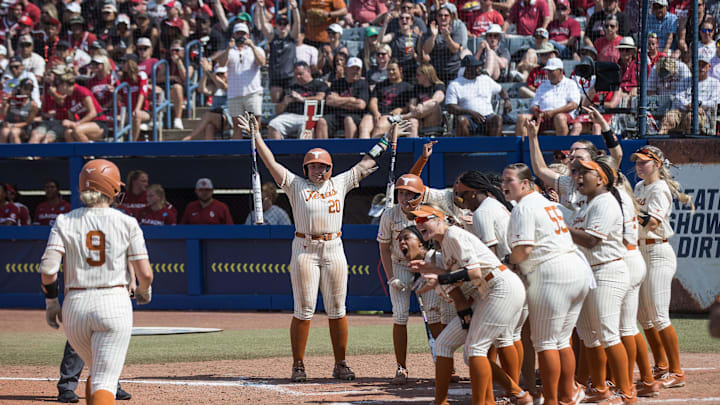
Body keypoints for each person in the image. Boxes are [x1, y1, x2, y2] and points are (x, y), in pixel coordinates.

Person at [238, 113, 403, 383]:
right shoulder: (295, 185)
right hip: (304, 247)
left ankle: (340, 363)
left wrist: (388, 137)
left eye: (322, 166)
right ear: (306, 169)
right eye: (313, 166)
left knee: (338, 308)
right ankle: (298, 364)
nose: (318, 170)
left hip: (334, 247)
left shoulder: (340, 182)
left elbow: (368, 162)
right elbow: (270, 162)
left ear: (329, 167)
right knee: (304, 309)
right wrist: (256, 135)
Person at [40, 159, 153, 404]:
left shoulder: (64, 221)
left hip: (75, 306)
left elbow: (48, 270)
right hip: (113, 302)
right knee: (105, 381)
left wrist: (51, 303)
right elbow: (145, 274)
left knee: (97, 372)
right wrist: (144, 290)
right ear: (112, 187)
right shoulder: (126, 222)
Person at [409, 203, 526, 405]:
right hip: (486, 293)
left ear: (439, 219)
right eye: (416, 221)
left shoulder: (454, 235)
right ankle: (441, 402)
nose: (419, 224)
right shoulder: (445, 244)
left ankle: (505, 396)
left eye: (423, 219)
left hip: (500, 286)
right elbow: (454, 278)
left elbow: (474, 273)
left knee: (476, 348)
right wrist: (432, 270)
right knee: (444, 344)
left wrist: (440, 279)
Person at [501, 161, 590, 405]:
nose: (505, 185)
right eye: (503, 180)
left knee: (545, 342)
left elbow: (524, 249)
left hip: (552, 272)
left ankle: (552, 399)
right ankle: (568, 393)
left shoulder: (524, 208)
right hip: (576, 269)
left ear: (526, 183)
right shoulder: (544, 202)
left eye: (510, 180)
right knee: (562, 340)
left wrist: (508, 261)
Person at [565, 156, 635, 404]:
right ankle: (599, 387)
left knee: (608, 334)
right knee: (587, 335)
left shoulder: (605, 202)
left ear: (602, 178)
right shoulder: (587, 204)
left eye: (586, 173)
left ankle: (626, 391)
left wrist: (558, 227)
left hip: (607, 271)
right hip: (589, 273)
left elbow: (592, 240)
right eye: (578, 173)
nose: (579, 177)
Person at [632, 146, 693, 389]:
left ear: (657, 164)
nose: (639, 165)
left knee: (658, 315)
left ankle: (677, 371)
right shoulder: (639, 187)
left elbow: (653, 222)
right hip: (640, 250)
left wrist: (628, 208)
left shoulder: (659, 188)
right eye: (637, 161)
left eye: (644, 162)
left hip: (657, 251)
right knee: (644, 317)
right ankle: (661, 366)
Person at [217, 23, 266, 139]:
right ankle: (237, 155)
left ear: (248, 35)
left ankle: (257, 149)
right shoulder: (229, 50)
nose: (241, 36)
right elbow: (222, 64)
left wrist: (252, 46)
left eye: (243, 34)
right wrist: (229, 48)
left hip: (252, 92)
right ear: (234, 35)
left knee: (254, 124)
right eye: (238, 33)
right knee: (237, 126)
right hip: (234, 94)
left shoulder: (256, 49)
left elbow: (262, 63)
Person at [446, 55, 511, 137]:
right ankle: (465, 149)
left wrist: (507, 100)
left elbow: (501, 90)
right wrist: (470, 112)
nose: (480, 68)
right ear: (468, 69)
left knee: (497, 119)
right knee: (461, 120)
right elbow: (450, 107)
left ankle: (494, 148)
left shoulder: (485, 79)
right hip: (468, 119)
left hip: (487, 117)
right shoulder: (455, 84)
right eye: (477, 67)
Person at [515, 57, 581, 136]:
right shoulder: (542, 86)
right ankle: (522, 147)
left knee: (559, 118)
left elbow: (573, 105)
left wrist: (553, 112)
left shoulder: (570, 84)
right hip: (542, 117)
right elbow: (534, 105)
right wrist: (536, 112)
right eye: (548, 71)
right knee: (522, 118)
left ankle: (562, 147)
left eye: (552, 71)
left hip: (562, 116)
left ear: (560, 71)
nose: (549, 73)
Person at [659, 54, 720, 135]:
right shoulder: (685, 80)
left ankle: (689, 144)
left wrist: (698, 105)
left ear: (709, 67)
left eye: (703, 65)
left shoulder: (714, 82)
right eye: (698, 65)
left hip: (703, 113)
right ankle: (658, 141)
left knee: (690, 118)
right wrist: (687, 105)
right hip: (683, 110)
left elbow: (715, 102)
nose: (701, 68)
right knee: (669, 117)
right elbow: (678, 97)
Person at [268, 61, 328, 139]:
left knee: (306, 128)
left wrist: (302, 99)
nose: (298, 77)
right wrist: (285, 102)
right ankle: (276, 151)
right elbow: (278, 111)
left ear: (308, 71)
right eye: (296, 75)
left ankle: (303, 151)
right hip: (290, 115)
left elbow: (320, 98)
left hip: (309, 115)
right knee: (273, 124)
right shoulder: (290, 87)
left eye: (300, 74)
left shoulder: (319, 84)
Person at [257, 0, 300, 104]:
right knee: (276, 101)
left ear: (289, 26)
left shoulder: (292, 38)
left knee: (291, 102)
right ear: (276, 26)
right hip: (275, 77)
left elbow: (298, 23)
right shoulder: (273, 39)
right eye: (280, 24)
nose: (282, 26)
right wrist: (261, 8)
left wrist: (295, 9)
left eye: (285, 24)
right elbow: (263, 25)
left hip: (290, 77)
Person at [360, 60, 414, 138]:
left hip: (391, 115)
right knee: (364, 126)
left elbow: (410, 106)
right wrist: (376, 113)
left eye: (393, 69)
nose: (391, 72)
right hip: (376, 113)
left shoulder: (407, 87)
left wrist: (401, 109)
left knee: (379, 126)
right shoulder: (380, 85)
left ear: (400, 70)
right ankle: (363, 149)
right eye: (388, 70)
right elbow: (373, 101)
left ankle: (375, 150)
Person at [321, 57, 370, 138]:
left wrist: (337, 101)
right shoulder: (337, 83)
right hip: (336, 115)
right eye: (352, 68)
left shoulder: (363, 84)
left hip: (355, 115)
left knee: (348, 120)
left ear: (361, 71)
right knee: (322, 121)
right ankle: (321, 149)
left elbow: (360, 105)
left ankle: (350, 150)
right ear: (346, 69)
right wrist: (350, 100)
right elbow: (329, 101)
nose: (355, 71)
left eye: (357, 69)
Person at [183, 60, 232, 141]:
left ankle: (189, 137)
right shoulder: (215, 87)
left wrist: (209, 72)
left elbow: (223, 86)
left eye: (222, 74)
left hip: (229, 118)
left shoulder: (232, 85)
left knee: (208, 115)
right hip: (218, 117)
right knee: (209, 127)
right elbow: (201, 89)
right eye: (218, 74)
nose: (220, 76)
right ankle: (210, 152)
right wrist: (205, 74)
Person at [56, 73, 109, 143]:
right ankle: (77, 154)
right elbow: (72, 120)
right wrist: (71, 123)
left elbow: (93, 113)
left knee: (77, 130)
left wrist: (76, 124)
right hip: (83, 124)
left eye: (57, 85)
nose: (56, 88)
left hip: (99, 123)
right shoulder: (67, 100)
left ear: (64, 85)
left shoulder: (81, 91)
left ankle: (88, 153)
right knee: (68, 132)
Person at [421, 4, 465, 84]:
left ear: (450, 17)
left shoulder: (456, 29)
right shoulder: (430, 30)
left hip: (453, 70)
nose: (443, 18)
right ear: (437, 17)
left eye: (446, 15)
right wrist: (433, 36)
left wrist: (447, 37)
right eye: (440, 16)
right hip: (436, 71)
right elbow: (426, 50)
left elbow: (455, 49)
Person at [402, 63, 446, 137]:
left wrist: (421, 105)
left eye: (418, 75)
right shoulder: (416, 88)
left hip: (433, 118)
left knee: (433, 104)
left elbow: (436, 100)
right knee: (411, 122)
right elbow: (411, 106)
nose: (416, 77)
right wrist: (418, 110)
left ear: (426, 75)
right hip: (419, 118)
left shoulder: (439, 86)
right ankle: (413, 147)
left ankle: (403, 117)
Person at [119, 55, 152, 142]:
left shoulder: (141, 75)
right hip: (128, 113)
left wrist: (137, 109)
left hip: (143, 111)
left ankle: (132, 143)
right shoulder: (124, 80)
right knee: (115, 118)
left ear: (131, 63)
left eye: (124, 62)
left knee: (136, 115)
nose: (122, 65)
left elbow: (142, 94)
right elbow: (119, 96)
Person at [0, 77, 38, 144]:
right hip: (7, 125)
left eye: (30, 89)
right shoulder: (11, 100)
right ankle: (3, 153)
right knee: (4, 132)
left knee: (14, 132)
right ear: (20, 88)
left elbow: (27, 122)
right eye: (26, 88)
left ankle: (18, 154)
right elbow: (2, 114)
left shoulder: (33, 105)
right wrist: (4, 104)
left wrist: (12, 125)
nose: (28, 91)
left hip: (23, 128)